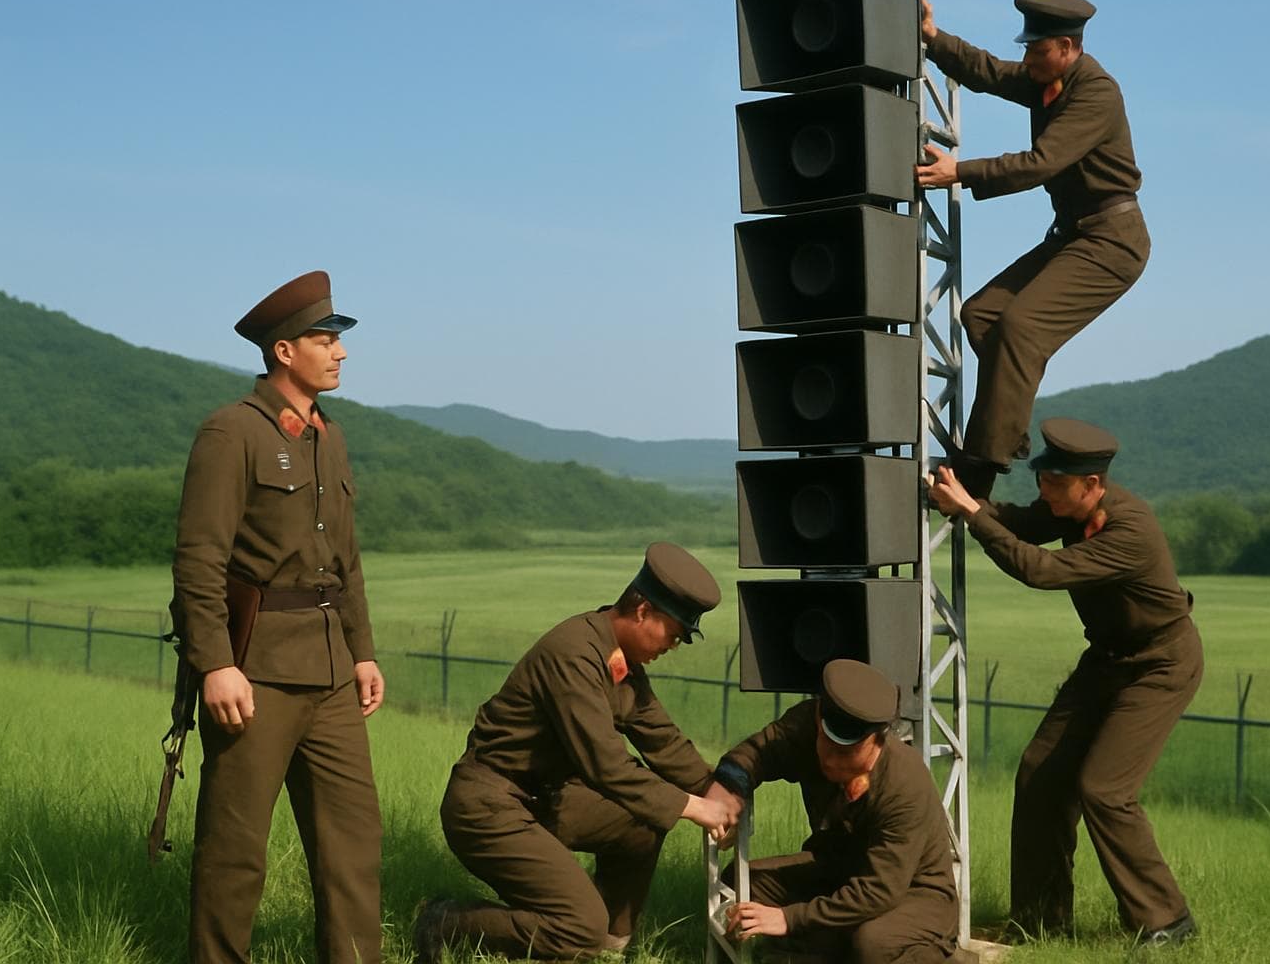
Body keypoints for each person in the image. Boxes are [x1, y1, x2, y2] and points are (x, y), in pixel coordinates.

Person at [172, 270, 385, 963]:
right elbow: (199, 561)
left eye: (338, 339)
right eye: (326, 338)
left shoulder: (330, 435)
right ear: (284, 351)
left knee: (353, 849)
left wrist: (362, 651)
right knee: (236, 855)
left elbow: (345, 560)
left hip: (329, 673)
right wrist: (216, 663)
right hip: (254, 672)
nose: (340, 351)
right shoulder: (231, 432)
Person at [926, 419, 1201, 947]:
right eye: (1042, 483)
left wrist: (973, 514)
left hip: (1159, 664)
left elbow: (1041, 570)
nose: (1044, 496)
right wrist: (957, 498)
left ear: (1092, 485)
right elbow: (1022, 524)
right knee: (1039, 774)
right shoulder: (1069, 507)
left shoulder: (1130, 530)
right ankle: (1041, 922)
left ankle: (1168, 921)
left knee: (1105, 790)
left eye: (1055, 487)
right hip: (1107, 659)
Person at [414, 543, 737, 963]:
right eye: (673, 634)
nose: (671, 646)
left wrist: (716, 789)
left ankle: (607, 946)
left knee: (639, 823)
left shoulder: (616, 658)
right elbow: (605, 765)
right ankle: (445, 923)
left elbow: (659, 736)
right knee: (576, 926)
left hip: (544, 799)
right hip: (487, 806)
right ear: (642, 610)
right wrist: (694, 806)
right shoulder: (574, 653)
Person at [915, 0, 1150, 500]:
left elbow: (1040, 161)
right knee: (982, 316)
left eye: (1036, 50)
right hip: (1072, 235)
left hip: (1113, 242)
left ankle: (978, 471)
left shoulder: (1096, 93)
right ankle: (1009, 430)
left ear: (1066, 47)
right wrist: (933, 38)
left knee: (1019, 329)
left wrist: (960, 171)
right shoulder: (1048, 75)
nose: (1026, 59)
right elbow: (990, 71)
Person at [708, 659, 959, 964]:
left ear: (876, 739)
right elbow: (756, 752)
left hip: (914, 893)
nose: (830, 758)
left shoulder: (905, 782)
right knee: (742, 884)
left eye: (846, 752)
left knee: (872, 944)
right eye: (826, 742)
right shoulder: (804, 726)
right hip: (839, 868)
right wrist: (729, 790)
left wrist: (789, 919)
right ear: (818, 719)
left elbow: (879, 890)